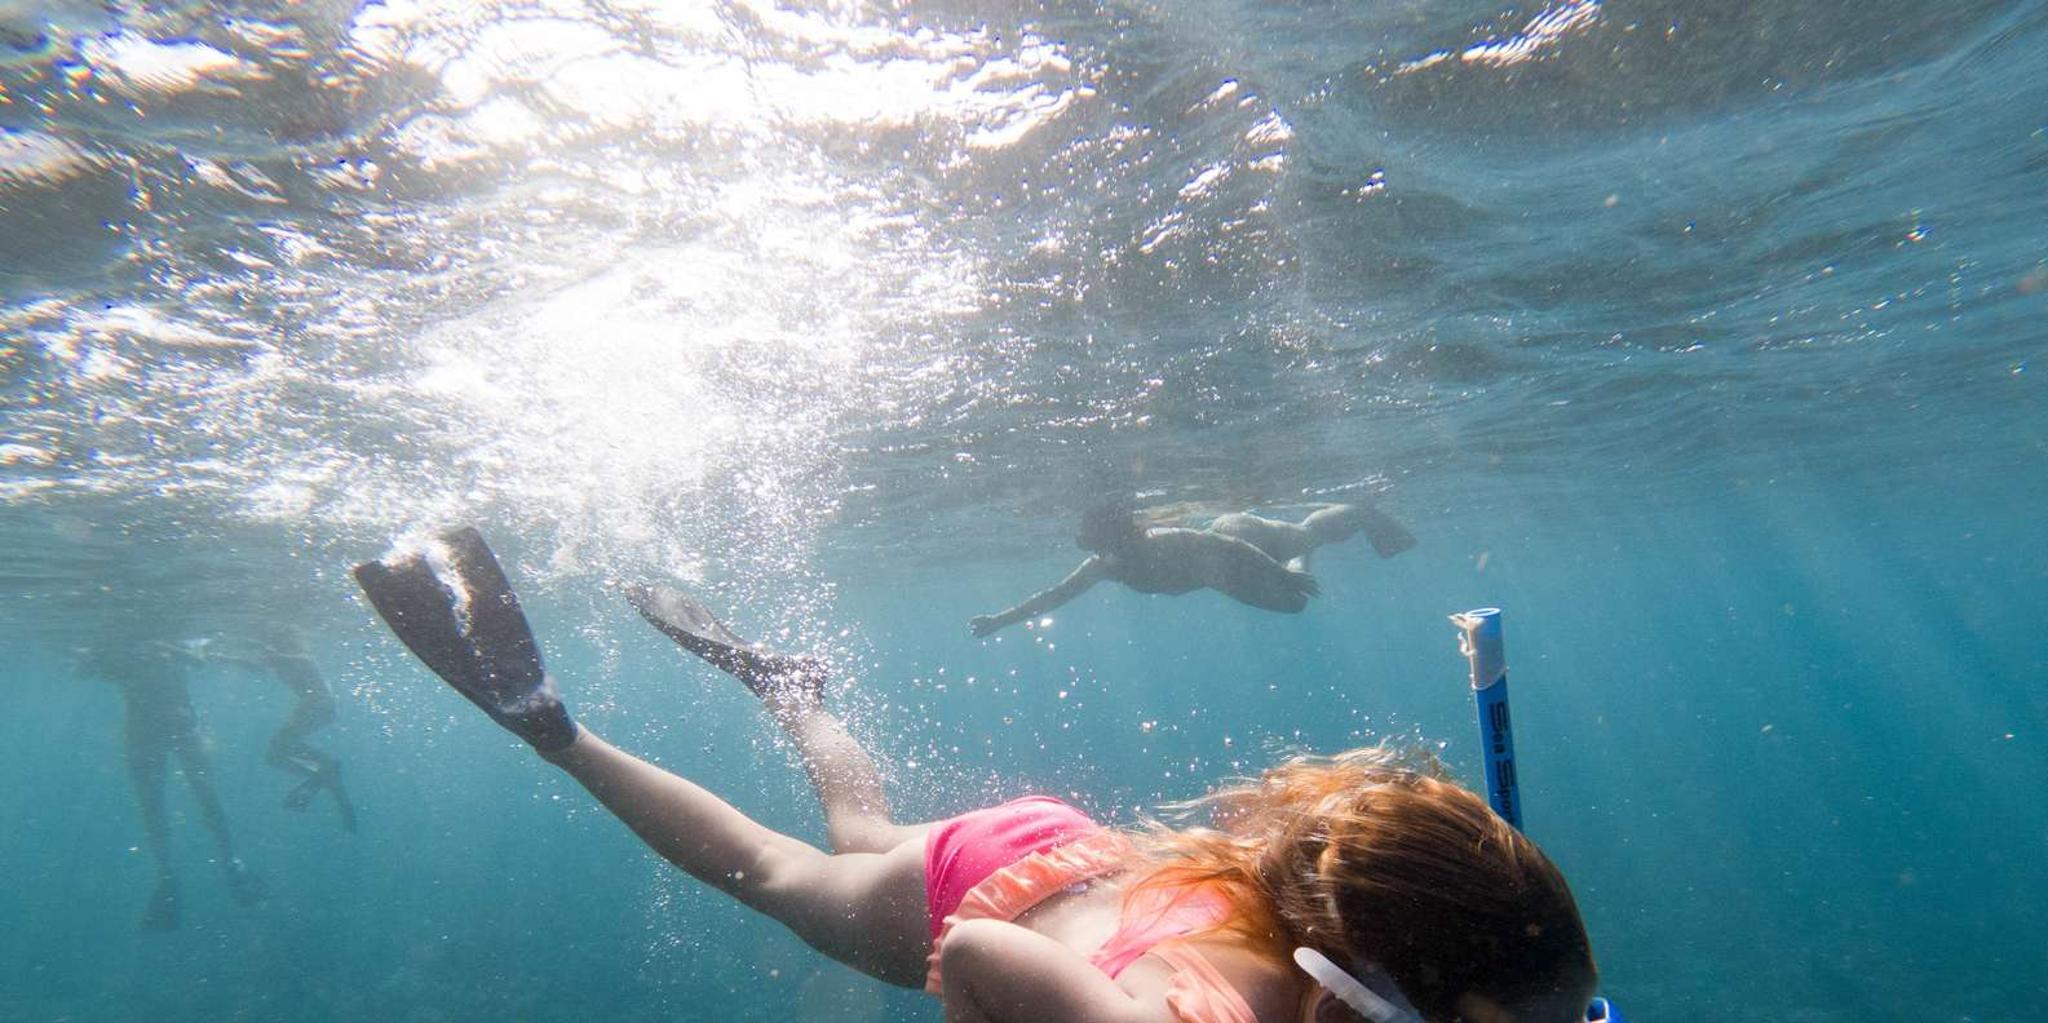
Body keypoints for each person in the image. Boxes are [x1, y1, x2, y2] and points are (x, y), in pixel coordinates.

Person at [355, 527, 1598, 1023]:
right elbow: (981, 959)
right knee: (782, 872)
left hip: (1069, 852)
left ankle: (792, 691)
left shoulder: (1382, 938)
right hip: (990, 904)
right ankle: (549, 727)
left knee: (859, 830)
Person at [970, 502, 1418, 637]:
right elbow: (1053, 596)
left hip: (1239, 537)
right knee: (1295, 606)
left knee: (1305, 534)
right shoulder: (1103, 567)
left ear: (1116, 533)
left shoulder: (1163, 540)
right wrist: (999, 621)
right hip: (1223, 577)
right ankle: (1298, 560)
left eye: (1095, 537)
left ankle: (1362, 511)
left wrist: (1281, 573)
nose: (1093, 546)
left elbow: (1229, 545)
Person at [78, 641, 270, 931]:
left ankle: (218, 865)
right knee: (165, 804)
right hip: (165, 730)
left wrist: (144, 651)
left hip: (162, 730)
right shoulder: (131, 645)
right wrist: (105, 656)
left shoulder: (151, 643)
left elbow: (199, 658)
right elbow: (84, 670)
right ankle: (194, 871)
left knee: (184, 801)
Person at [205, 629, 357, 831]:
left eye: (274, 642)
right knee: (275, 754)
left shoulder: (300, 658)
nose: (270, 646)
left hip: (317, 706)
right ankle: (325, 770)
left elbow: (269, 660)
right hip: (312, 706)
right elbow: (256, 665)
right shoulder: (287, 658)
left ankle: (321, 773)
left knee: (276, 753)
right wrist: (225, 656)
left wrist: (228, 650)